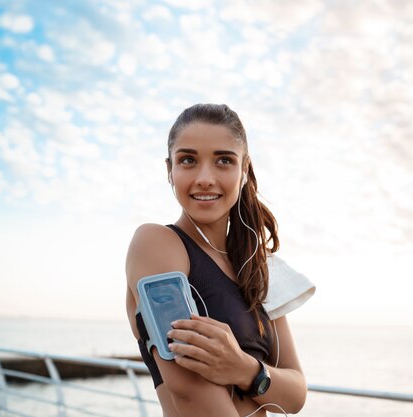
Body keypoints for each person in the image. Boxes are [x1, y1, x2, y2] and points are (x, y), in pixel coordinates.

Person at [125, 103, 307, 417]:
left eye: (223, 160)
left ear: (244, 168)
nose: (205, 178)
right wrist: (262, 379)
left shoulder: (258, 267)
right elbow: (189, 391)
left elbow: (296, 394)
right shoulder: (156, 245)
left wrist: (246, 370)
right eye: (188, 160)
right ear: (170, 170)